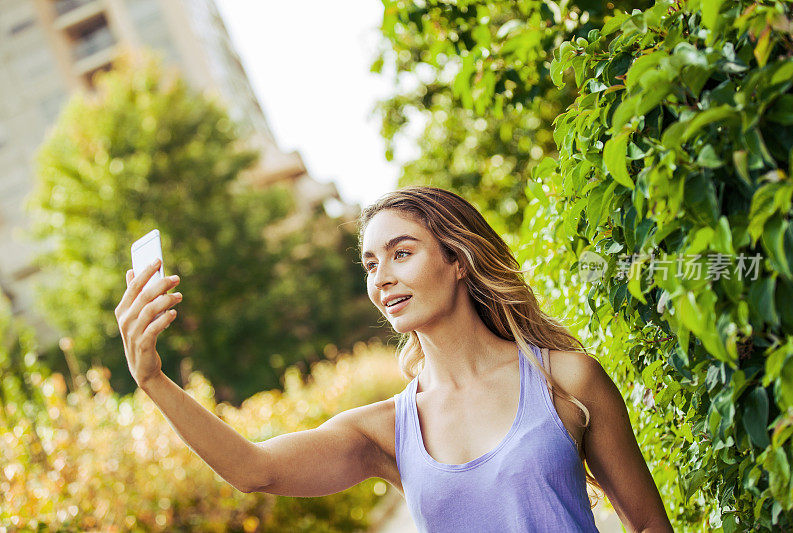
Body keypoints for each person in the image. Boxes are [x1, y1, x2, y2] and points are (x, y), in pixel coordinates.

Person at [115, 186, 672, 532]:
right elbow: (253, 470)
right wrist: (154, 380)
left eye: (401, 253)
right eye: (369, 263)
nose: (381, 277)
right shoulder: (386, 431)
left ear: (458, 259)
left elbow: (647, 523)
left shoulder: (565, 379)